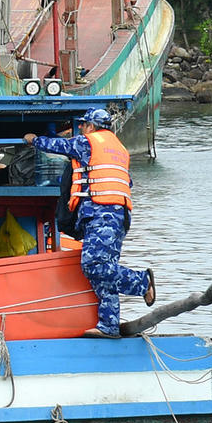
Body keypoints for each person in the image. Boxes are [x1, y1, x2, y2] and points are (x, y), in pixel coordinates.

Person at [24, 107, 155, 338]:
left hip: (101, 213)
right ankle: (109, 325)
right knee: (104, 274)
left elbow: (58, 146)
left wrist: (33, 139)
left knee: (93, 265)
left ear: (91, 126)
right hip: (119, 214)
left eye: (84, 125)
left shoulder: (88, 142)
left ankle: (141, 282)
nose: (82, 129)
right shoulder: (119, 149)